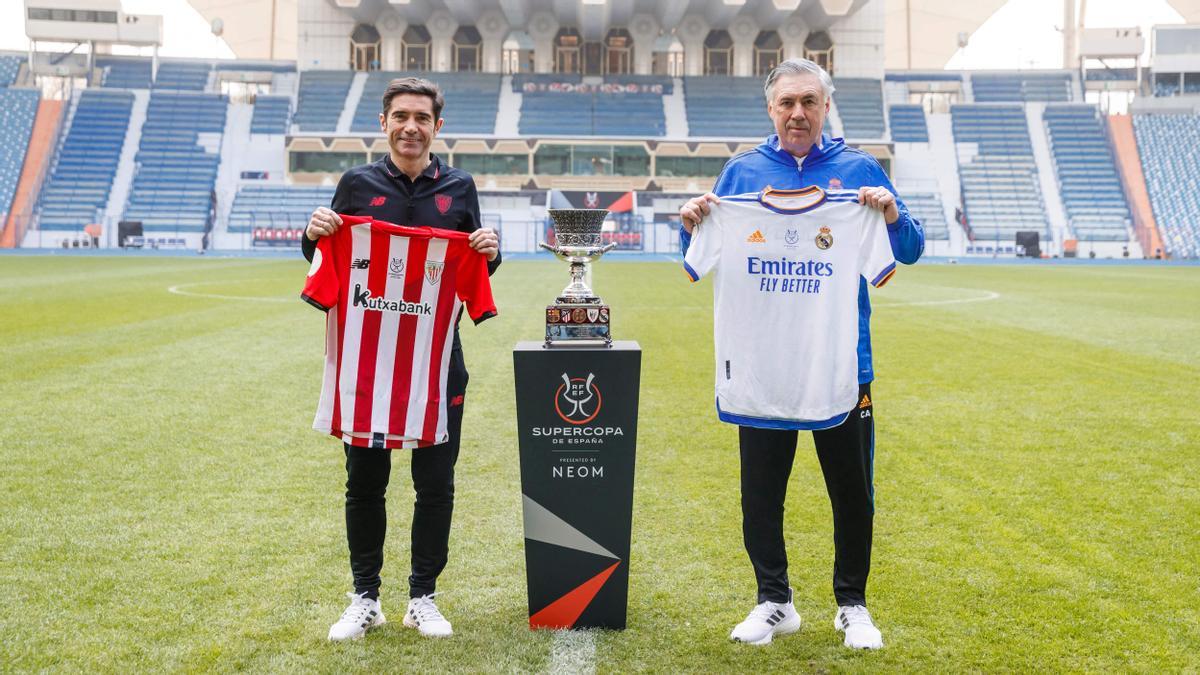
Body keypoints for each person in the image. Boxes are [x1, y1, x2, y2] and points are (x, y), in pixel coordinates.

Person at [678, 58, 924, 649]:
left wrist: (891, 211)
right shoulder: (740, 173)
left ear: (825, 106)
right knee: (760, 490)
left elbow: (908, 251)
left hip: (842, 365)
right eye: (787, 103)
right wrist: (690, 226)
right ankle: (773, 601)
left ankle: (853, 604)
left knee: (851, 490)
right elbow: (700, 255)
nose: (798, 113)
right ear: (771, 109)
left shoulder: (859, 170)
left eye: (809, 102)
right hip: (762, 365)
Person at [302, 77, 500, 641]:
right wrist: (313, 234)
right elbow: (325, 260)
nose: (410, 126)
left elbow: (473, 273)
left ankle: (423, 597)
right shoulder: (356, 184)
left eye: (421, 117)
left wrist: (490, 250)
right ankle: (365, 597)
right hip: (368, 361)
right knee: (364, 482)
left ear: (438, 126)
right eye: (400, 116)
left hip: (437, 360)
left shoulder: (459, 188)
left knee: (435, 483)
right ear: (383, 123)